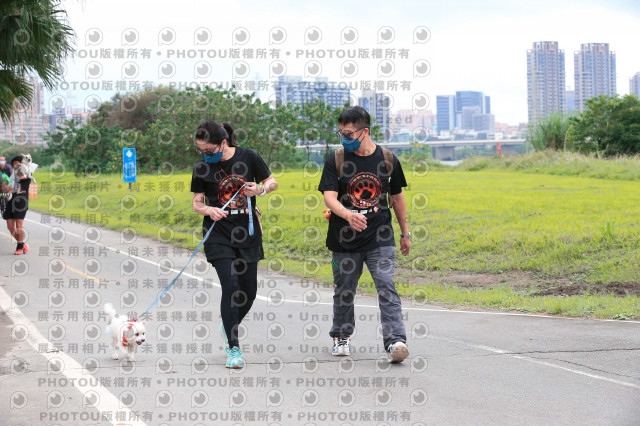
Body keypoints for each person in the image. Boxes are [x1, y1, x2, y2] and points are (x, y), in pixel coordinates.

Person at [318, 106, 412, 363]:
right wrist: (348, 215)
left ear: (365, 132)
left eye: (348, 133)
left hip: (380, 236)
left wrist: (405, 233)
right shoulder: (336, 159)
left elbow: (397, 197)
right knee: (345, 289)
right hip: (344, 238)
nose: (344, 138)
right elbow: (329, 197)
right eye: (341, 133)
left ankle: (395, 342)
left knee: (386, 285)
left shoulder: (388, 159)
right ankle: (341, 336)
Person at [190, 120, 277, 369]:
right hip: (218, 235)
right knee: (231, 286)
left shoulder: (248, 157)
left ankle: (229, 323)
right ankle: (233, 346)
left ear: (223, 143)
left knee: (249, 292)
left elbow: (272, 182)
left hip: (247, 233)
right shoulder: (201, 168)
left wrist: (259, 189)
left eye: (209, 151)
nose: (205, 155)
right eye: (200, 151)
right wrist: (209, 210)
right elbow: (197, 203)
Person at [1, 155, 31, 255]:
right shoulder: (12, 176)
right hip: (11, 200)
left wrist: (23, 165)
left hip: (21, 201)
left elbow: (23, 176)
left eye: (17, 163)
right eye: (14, 164)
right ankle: (22, 244)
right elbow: (6, 187)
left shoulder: (27, 173)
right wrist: (5, 187)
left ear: (22, 164)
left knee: (19, 225)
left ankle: (19, 247)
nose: (16, 165)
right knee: (10, 226)